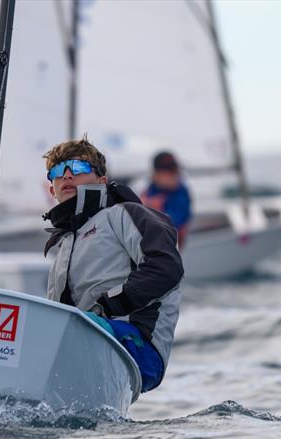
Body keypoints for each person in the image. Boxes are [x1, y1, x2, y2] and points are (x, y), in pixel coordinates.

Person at [42, 136, 183, 392]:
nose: (67, 176)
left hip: (136, 346)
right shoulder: (64, 243)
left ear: (102, 180)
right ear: (51, 189)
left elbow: (167, 268)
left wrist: (109, 303)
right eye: (57, 172)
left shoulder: (125, 214)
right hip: (86, 346)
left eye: (78, 168)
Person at [141, 151, 192, 248]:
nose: (175, 174)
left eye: (175, 170)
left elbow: (174, 226)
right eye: (169, 171)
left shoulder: (181, 193)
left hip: (168, 252)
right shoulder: (148, 191)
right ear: (156, 174)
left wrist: (153, 211)